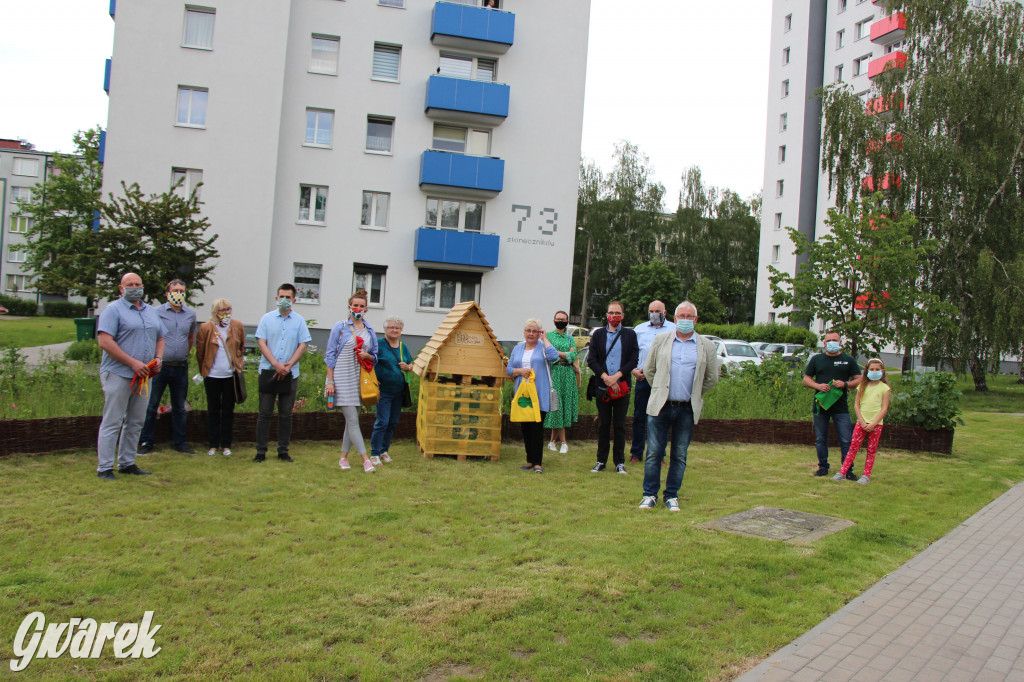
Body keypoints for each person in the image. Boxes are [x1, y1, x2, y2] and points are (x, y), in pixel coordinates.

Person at [638, 301, 719, 511]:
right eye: (681, 316)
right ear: (674, 319)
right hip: (661, 405)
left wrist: (694, 394)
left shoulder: (707, 346)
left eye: (689, 316)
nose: (685, 320)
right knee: (654, 452)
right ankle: (649, 494)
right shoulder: (661, 340)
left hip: (686, 408)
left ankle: (671, 495)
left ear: (696, 320)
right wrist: (661, 389)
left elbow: (711, 378)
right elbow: (649, 370)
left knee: (680, 454)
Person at [95, 272, 166, 480]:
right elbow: (105, 341)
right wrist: (132, 362)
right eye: (130, 284)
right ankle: (105, 467)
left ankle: (127, 462)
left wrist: (158, 358)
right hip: (119, 373)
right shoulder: (112, 310)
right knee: (113, 420)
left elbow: (160, 337)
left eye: (138, 284)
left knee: (136, 421)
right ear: (121, 288)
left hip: (144, 376)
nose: (135, 287)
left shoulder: (151, 312)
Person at [138, 279, 197, 455]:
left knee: (179, 406)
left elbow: (190, 337)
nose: (178, 293)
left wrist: (185, 354)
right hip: (160, 367)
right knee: (151, 405)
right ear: (167, 293)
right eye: (175, 290)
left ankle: (180, 442)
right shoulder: (156, 313)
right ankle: (146, 441)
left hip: (180, 366)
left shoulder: (190, 314)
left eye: (181, 290)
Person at [254, 283, 311, 463]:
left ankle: (283, 451)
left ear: (294, 300)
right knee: (264, 413)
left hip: (290, 373)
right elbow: (261, 343)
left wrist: (288, 365)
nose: (284, 300)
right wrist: (275, 364)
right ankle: (261, 451)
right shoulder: (267, 319)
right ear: (276, 298)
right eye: (281, 297)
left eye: (288, 297)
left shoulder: (299, 321)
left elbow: (303, 345)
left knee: (286, 414)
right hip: (269, 371)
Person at [325, 289, 379, 473]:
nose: (358, 308)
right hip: (342, 377)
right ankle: (366, 460)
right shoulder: (339, 327)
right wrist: (329, 381)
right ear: (350, 306)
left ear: (366, 309)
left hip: (360, 379)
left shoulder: (370, 330)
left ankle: (343, 458)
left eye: (361, 306)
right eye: (355, 305)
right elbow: (330, 355)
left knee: (351, 422)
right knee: (353, 420)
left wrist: (368, 355)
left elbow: (375, 357)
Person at [586, 301, 639, 474]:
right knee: (603, 424)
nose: (614, 316)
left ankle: (619, 462)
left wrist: (616, 377)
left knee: (619, 425)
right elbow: (591, 359)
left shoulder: (630, 335)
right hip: (602, 387)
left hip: (621, 386)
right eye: (611, 312)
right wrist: (606, 378)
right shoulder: (598, 334)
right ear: (606, 315)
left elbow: (633, 360)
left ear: (622, 316)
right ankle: (601, 460)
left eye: (617, 313)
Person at [804, 330, 862, 477]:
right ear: (824, 343)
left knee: (845, 439)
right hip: (821, 405)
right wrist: (818, 386)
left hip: (840, 407)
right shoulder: (817, 359)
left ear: (840, 342)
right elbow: (806, 379)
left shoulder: (848, 360)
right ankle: (823, 467)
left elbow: (859, 379)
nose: (831, 343)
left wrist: (846, 384)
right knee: (821, 438)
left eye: (834, 340)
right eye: (828, 341)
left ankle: (847, 470)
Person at [507, 318, 560, 473]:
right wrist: (519, 371)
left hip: (539, 394)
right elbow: (509, 368)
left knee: (536, 429)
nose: (531, 334)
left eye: (535, 331)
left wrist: (545, 339)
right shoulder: (517, 348)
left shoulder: (543, 348)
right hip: (523, 395)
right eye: (528, 331)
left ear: (539, 333)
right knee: (526, 428)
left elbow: (554, 357)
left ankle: (538, 462)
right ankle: (529, 460)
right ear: (524, 332)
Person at [195, 298, 245, 457]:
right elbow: (200, 352)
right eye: (223, 310)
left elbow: (241, 347)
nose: (226, 313)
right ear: (215, 312)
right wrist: (203, 370)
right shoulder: (206, 327)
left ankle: (226, 444)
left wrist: (239, 364)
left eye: (228, 309)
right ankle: (212, 444)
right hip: (212, 375)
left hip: (230, 376)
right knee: (213, 410)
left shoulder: (237, 326)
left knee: (228, 410)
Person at [629, 300, 673, 464]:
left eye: (657, 311)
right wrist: (633, 370)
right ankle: (636, 453)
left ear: (665, 313)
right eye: (651, 311)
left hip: (663, 381)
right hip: (642, 378)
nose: (654, 314)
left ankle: (658, 455)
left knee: (661, 418)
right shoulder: (639, 330)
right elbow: (631, 354)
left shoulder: (673, 329)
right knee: (639, 417)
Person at [834, 358, 890, 485]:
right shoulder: (862, 386)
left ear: (882, 371)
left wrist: (873, 424)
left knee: (871, 450)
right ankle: (843, 472)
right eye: (871, 369)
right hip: (861, 423)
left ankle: (866, 475)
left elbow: (884, 408)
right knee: (853, 448)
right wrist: (862, 421)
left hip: (876, 425)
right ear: (867, 371)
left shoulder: (884, 388)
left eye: (877, 369)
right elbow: (856, 405)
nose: (874, 371)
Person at [369, 315, 412, 466]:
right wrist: (373, 377)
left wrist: (408, 367)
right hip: (383, 391)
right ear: (385, 329)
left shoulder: (402, 347)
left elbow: (411, 364)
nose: (394, 330)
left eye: (397, 328)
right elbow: (369, 361)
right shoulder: (378, 344)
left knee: (393, 422)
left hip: (399, 391)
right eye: (391, 327)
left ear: (401, 330)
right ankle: (374, 454)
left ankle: (384, 451)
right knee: (382, 421)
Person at [545, 310, 578, 453]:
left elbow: (573, 356)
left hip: (568, 374)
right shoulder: (549, 336)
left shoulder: (571, 339)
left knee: (563, 405)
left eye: (563, 319)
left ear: (567, 321)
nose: (560, 321)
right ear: (554, 320)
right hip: (555, 373)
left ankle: (552, 441)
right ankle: (564, 442)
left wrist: (557, 352)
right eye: (558, 319)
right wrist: (564, 354)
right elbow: (549, 355)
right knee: (556, 405)